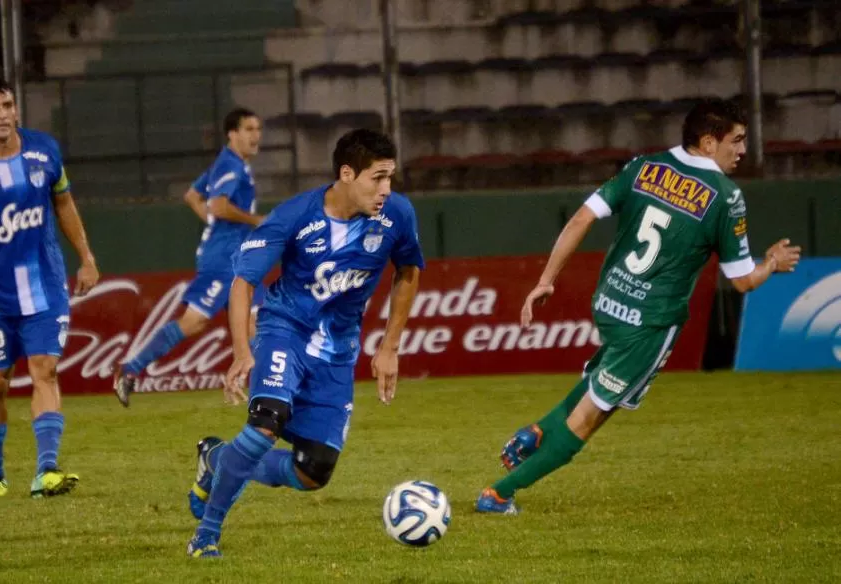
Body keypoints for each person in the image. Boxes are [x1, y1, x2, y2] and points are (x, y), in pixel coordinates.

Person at [475, 98, 802, 514]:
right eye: (736, 141)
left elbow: (580, 219)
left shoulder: (643, 166)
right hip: (651, 321)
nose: (742, 151)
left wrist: (546, 281)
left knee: (603, 383)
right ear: (707, 141)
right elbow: (740, 281)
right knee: (591, 418)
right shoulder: (725, 196)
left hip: (610, 302)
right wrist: (772, 263)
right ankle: (499, 494)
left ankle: (537, 431)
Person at [185, 128, 425, 558]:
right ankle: (207, 533)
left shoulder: (398, 216)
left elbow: (408, 271)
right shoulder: (295, 216)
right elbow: (243, 284)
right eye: (378, 178)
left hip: (337, 350)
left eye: (391, 177)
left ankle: (217, 460)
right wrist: (242, 350)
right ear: (347, 174)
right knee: (266, 422)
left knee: (313, 470)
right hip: (285, 330)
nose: (386, 189)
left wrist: (389, 347)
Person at [0, 77, 100, 498]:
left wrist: (87, 257)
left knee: (45, 369)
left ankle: (47, 470)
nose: (3, 114)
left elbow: (63, 203)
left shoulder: (45, 150)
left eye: (7, 105)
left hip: (45, 288)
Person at [113, 108, 266, 406]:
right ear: (232, 134)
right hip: (225, 259)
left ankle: (268, 392)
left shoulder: (230, 164)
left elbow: (192, 196)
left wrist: (212, 223)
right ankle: (129, 369)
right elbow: (220, 207)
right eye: (249, 129)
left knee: (252, 323)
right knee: (200, 322)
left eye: (258, 128)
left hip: (234, 256)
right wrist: (255, 220)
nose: (256, 135)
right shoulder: (231, 166)